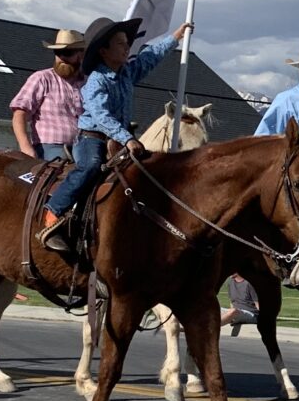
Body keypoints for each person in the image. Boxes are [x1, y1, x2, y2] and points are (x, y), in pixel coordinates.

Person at [41, 14, 191, 254]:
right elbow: (101, 117)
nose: (127, 47)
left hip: (120, 139)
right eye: (121, 43)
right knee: (90, 166)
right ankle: (54, 212)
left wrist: (175, 37)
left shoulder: (127, 73)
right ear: (103, 51)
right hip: (92, 137)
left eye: (126, 43)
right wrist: (127, 138)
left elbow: (149, 58)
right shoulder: (96, 81)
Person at [10, 28, 86, 161]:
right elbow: (19, 114)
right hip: (50, 147)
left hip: (85, 147)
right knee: (65, 173)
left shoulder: (88, 82)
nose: (62, 57)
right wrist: (26, 148)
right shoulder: (42, 78)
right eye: (58, 52)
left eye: (67, 52)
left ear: (81, 54)